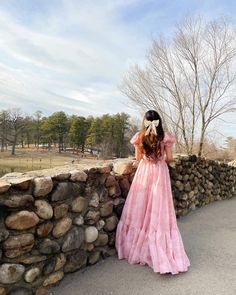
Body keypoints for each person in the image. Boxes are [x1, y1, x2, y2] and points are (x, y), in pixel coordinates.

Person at [115, 110, 190, 275]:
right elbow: (169, 158)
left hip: (144, 172)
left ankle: (136, 245)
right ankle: (157, 248)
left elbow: (138, 158)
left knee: (140, 206)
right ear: (159, 121)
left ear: (145, 121)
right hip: (159, 173)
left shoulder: (140, 136)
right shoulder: (165, 136)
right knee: (158, 206)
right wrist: (160, 159)